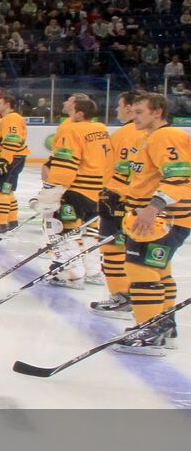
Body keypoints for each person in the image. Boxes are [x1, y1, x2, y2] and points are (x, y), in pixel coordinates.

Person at [112, 92, 191, 354]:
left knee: (140, 268)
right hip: (159, 217)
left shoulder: (165, 136)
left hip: (164, 218)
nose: (133, 116)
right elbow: (145, 179)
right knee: (159, 270)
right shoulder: (150, 137)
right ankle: (164, 326)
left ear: (157, 112)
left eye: (139, 112)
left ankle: (150, 329)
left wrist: (153, 207)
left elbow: (179, 177)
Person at [33, 93, 109, 289]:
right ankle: (93, 271)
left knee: (63, 230)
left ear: (80, 113)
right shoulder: (101, 129)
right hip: (98, 191)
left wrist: (51, 190)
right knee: (91, 232)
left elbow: (65, 165)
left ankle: (71, 275)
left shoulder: (72, 130)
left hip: (76, 190)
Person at [91, 91, 145, 317]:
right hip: (136, 202)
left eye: (119, 105)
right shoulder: (147, 133)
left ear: (130, 108)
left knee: (112, 249)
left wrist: (112, 195)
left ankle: (122, 296)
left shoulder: (127, 134)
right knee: (131, 252)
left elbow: (124, 170)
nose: (116, 109)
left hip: (120, 201)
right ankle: (131, 297)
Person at [0, 92, 29, 234]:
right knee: (7, 191)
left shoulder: (11, 118)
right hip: (14, 158)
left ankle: (1, 225)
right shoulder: (8, 118)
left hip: (11, 159)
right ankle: (12, 221)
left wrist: (4, 160)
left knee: (0, 191)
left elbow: (12, 139)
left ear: (7, 104)